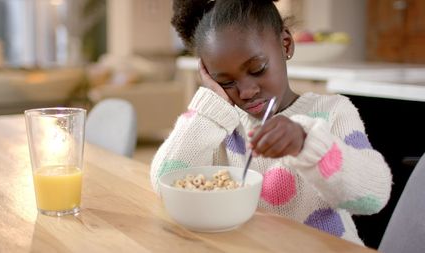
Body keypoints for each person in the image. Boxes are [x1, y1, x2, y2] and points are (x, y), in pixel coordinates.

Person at [150, 0, 392, 245]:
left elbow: (374, 198)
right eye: (225, 81)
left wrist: (308, 144)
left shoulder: (332, 112)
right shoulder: (219, 125)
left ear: (285, 44)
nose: (245, 91)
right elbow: (165, 182)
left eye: (257, 69)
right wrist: (211, 105)